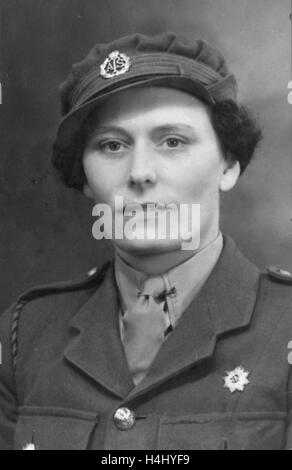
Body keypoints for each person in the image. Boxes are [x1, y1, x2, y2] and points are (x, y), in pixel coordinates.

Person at [0, 32, 291, 451]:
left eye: (172, 141)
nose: (140, 173)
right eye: (112, 145)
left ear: (228, 165)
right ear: (84, 179)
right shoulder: (21, 335)